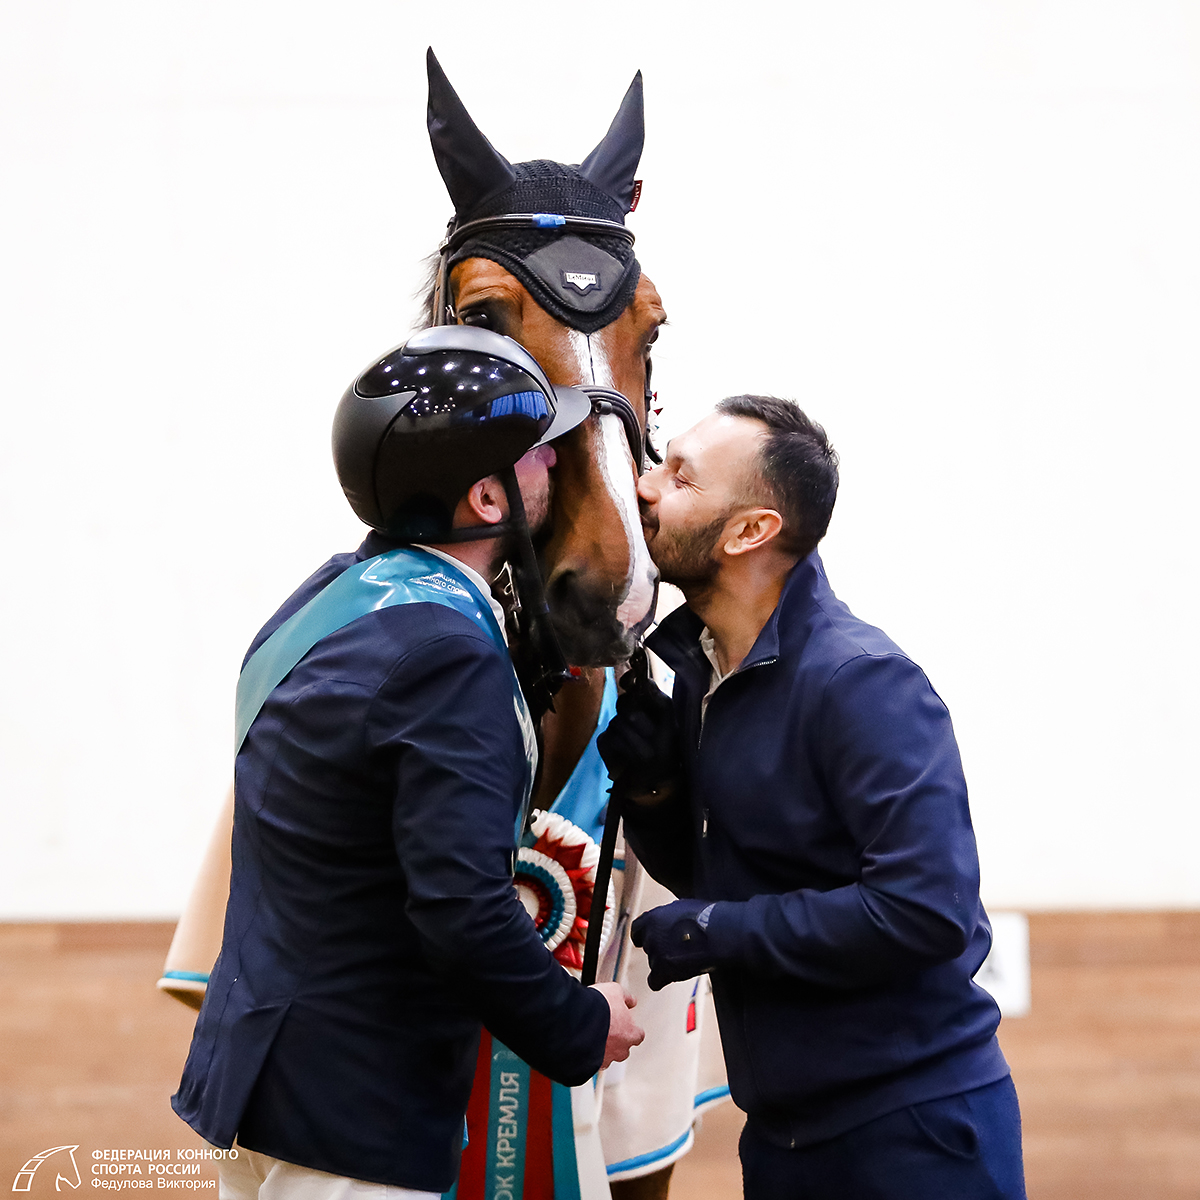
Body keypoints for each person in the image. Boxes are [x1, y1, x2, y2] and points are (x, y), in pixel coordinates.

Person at [172, 326, 643, 1200]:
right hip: (354, 1116)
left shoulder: (329, 596)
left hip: (260, 1081)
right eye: (539, 452)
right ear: (488, 498)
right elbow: (462, 909)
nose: (557, 465)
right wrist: (579, 1023)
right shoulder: (445, 654)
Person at [597, 396, 1027, 1199]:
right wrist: (656, 794)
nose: (645, 487)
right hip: (784, 1139)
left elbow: (925, 910)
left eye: (680, 477)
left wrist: (721, 931)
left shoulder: (863, 682)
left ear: (749, 532)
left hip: (911, 1137)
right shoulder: (700, 672)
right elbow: (730, 876)